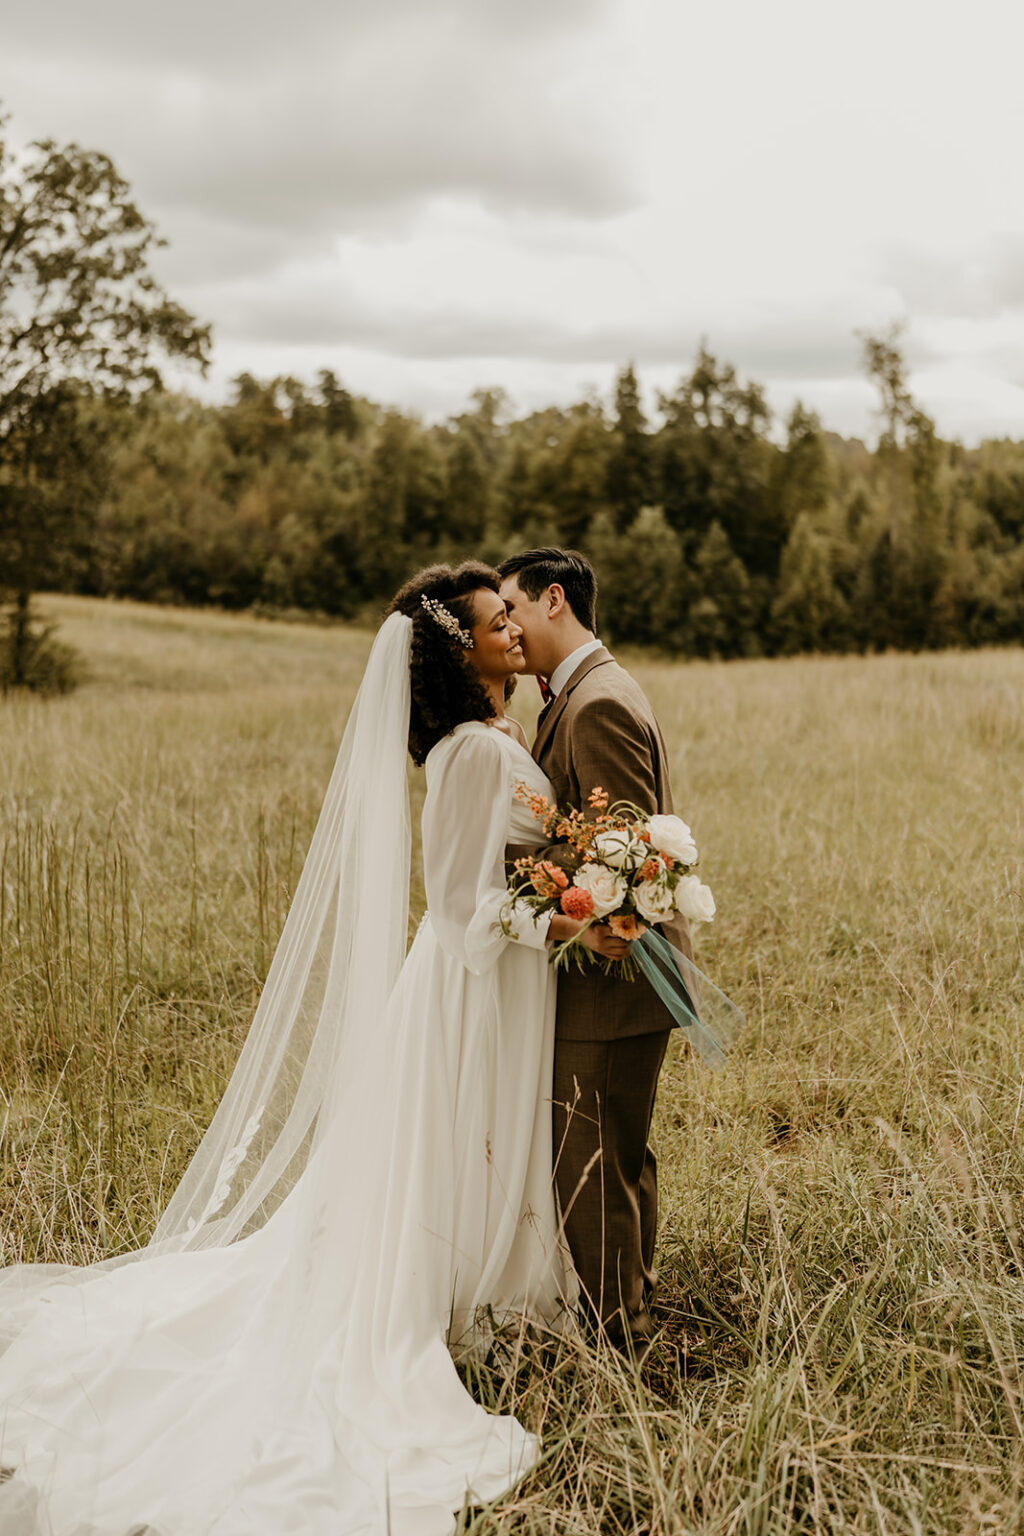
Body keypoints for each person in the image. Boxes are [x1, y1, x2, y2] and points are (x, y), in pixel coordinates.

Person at [0, 562, 591, 1536]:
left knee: (464, 1148)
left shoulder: (486, 738)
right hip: (472, 989)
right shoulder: (475, 754)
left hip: (487, 987)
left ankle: (485, 1295)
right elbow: (454, 912)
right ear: (461, 650)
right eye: (499, 622)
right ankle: (469, 1304)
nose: (517, 631)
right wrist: (559, 918)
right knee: (460, 1141)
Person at [498, 547, 693, 1352]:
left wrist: (524, 882)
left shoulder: (596, 702)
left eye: (510, 609)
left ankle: (624, 1342)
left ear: (553, 600)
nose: (505, 628)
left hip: (614, 973)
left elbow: (621, 855)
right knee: (616, 1146)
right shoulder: (579, 692)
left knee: (593, 1160)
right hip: (609, 974)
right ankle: (633, 1303)